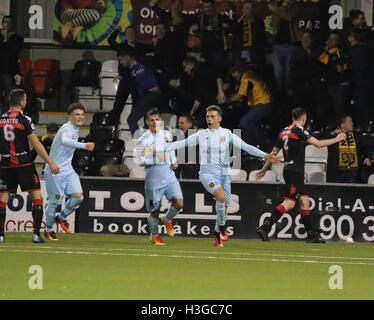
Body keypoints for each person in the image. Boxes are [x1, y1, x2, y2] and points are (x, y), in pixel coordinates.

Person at [149, 105, 279, 247]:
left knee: (225, 205)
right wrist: (158, 149)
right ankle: (219, 231)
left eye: (212, 116)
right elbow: (181, 143)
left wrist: (265, 155)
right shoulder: (202, 134)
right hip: (207, 174)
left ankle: (219, 229)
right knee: (221, 196)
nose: (209, 119)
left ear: (220, 118)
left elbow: (246, 146)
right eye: (207, 116)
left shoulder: (227, 134)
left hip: (224, 174)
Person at [255, 108, 346, 243]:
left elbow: (273, 153)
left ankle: (310, 235)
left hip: (288, 170)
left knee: (304, 201)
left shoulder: (284, 131)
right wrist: (336, 139)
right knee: (290, 203)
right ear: (304, 119)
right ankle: (265, 226)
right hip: (295, 172)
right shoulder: (299, 130)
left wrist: (263, 169)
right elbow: (319, 144)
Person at [0, 89, 59, 243]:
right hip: (24, 163)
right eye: (25, 99)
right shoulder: (25, 119)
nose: (26, 101)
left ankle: (0, 235)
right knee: (36, 197)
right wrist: (50, 162)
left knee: (3, 198)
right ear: (21, 102)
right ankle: (35, 235)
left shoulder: (1, 119)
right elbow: (36, 144)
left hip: (6, 163)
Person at [43, 103, 95, 241]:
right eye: (77, 114)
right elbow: (66, 141)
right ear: (70, 116)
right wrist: (84, 145)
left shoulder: (74, 129)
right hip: (55, 171)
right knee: (54, 203)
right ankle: (48, 229)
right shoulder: (67, 128)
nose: (80, 117)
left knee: (78, 197)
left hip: (68, 170)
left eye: (82, 115)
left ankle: (61, 218)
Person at [136, 109, 183, 245]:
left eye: (157, 119)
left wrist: (173, 160)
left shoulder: (167, 134)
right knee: (154, 211)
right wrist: (157, 159)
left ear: (161, 121)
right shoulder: (143, 140)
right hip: (153, 181)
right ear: (147, 122)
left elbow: (170, 149)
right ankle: (155, 235)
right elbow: (140, 161)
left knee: (179, 203)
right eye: (152, 120)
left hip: (169, 177)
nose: (155, 122)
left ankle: (167, 219)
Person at [117, 49, 167, 136]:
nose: (120, 62)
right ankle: (149, 144)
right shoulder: (129, 71)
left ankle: (139, 142)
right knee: (148, 122)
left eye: (121, 59)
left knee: (131, 119)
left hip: (154, 93)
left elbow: (158, 65)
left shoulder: (143, 61)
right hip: (146, 97)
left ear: (127, 57)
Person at [229, 62, 273, 147]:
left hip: (264, 103)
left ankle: (262, 142)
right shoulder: (249, 73)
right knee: (247, 122)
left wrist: (227, 100)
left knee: (244, 122)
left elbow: (239, 96)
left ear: (238, 72)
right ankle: (248, 145)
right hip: (264, 102)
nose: (234, 76)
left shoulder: (245, 78)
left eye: (235, 74)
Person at [325, 115, 371, 183]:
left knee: (351, 192)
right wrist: (333, 133)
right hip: (337, 174)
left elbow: (366, 146)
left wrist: (367, 157)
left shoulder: (357, 135)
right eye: (350, 122)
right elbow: (321, 139)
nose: (352, 123)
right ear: (343, 124)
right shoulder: (334, 135)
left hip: (353, 174)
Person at [267, 0, 300, 92]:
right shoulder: (278, 8)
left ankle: (287, 93)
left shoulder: (295, 6)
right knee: (278, 72)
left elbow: (289, 17)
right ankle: (279, 92)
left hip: (291, 44)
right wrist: (279, 9)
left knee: (289, 72)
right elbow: (274, 24)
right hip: (277, 45)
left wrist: (275, 10)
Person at [347, 28, 371, 127]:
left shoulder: (363, 49)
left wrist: (348, 66)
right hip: (355, 81)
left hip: (361, 81)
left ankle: (364, 125)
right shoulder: (351, 48)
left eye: (350, 35)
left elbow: (362, 64)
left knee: (362, 103)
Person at [231, 2, 267, 68]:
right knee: (242, 69)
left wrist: (251, 21)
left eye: (247, 8)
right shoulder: (238, 20)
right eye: (243, 8)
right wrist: (241, 19)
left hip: (254, 50)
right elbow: (233, 30)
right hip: (241, 49)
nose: (245, 10)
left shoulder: (257, 21)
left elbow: (260, 34)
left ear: (252, 10)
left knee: (253, 71)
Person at [0, 16, 23, 107]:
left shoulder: (17, 38)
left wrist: (6, 38)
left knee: (11, 95)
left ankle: (9, 115)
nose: (7, 24)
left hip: (10, 71)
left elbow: (13, 52)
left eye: (9, 22)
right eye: (5, 22)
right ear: (2, 24)